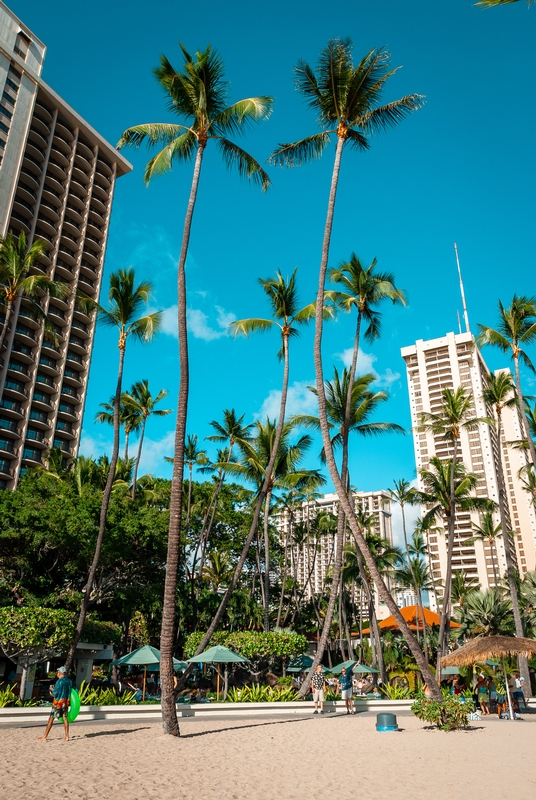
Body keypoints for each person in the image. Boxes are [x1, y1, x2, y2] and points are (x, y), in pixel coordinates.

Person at [37, 667, 72, 742]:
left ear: (59, 673)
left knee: (51, 718)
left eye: (57, 672)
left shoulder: (59, 682)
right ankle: (66, 736)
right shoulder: (69, 681)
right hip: (65, 702)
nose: (57, 673)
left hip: (58, 703)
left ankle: (44, 736)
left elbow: (55, 694)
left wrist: (50, 691)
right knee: (65, 718)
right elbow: (74, 690)